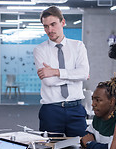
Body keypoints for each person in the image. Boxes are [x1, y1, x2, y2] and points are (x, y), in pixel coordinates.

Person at [33, 6, 90, 137]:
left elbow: (83, 73)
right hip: (51, 110)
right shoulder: (39, 50)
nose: (50, 30)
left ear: (63, 22)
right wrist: (74, 75)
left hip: (76, 109)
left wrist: (56, 72)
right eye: (45, 26)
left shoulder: (78, 46)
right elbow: (48, 81)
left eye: (53, 24)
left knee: (81, 148)